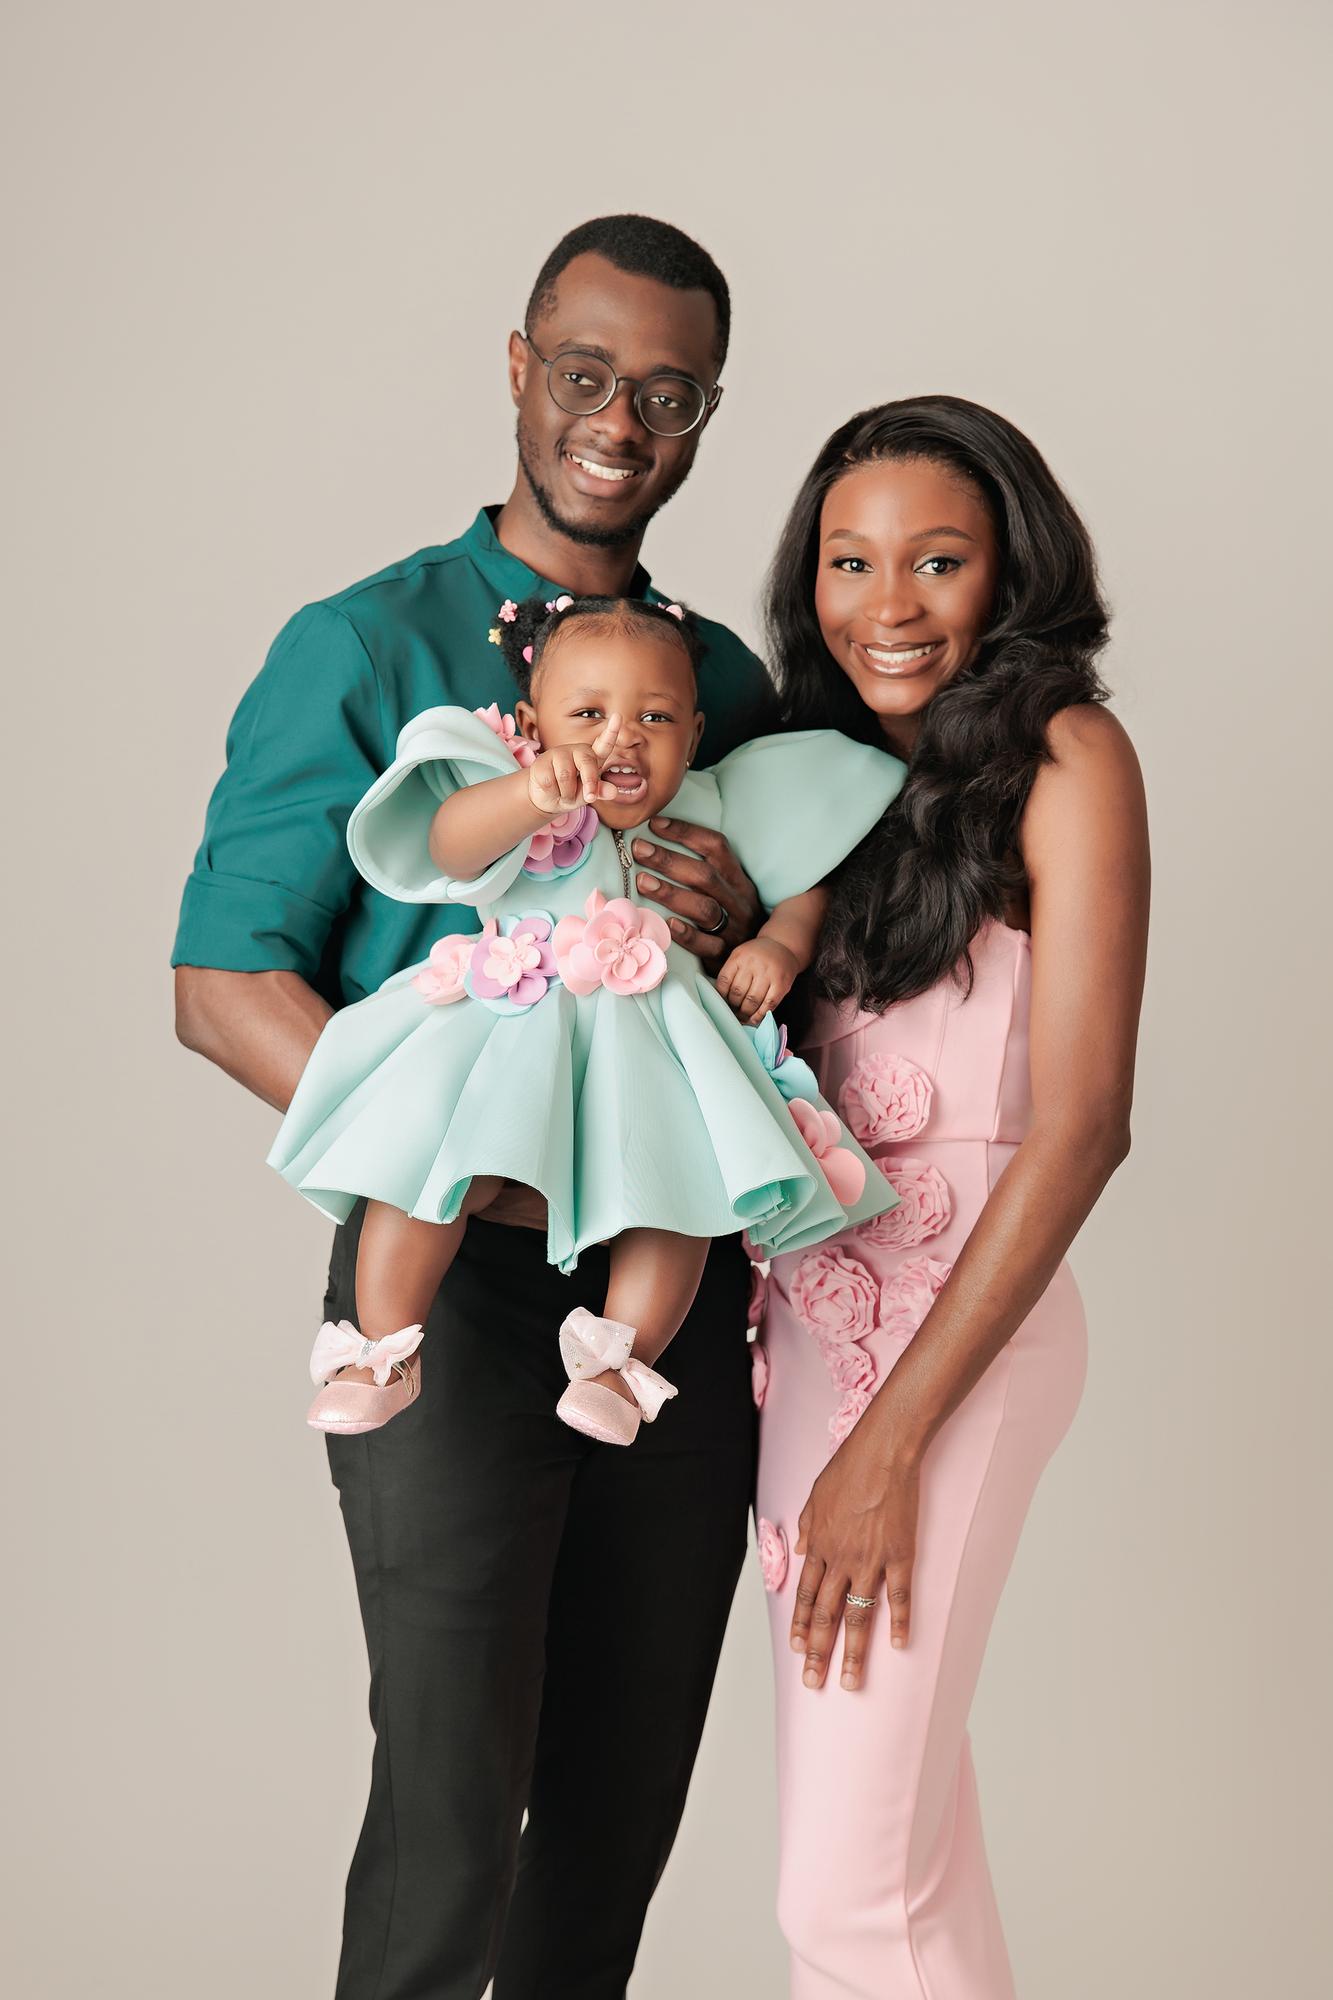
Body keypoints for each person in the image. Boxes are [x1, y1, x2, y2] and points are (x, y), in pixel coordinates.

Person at [174, 215, 775, 1999]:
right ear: (516, 366)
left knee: (618, 1807)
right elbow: (223, 984)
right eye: (584, 373)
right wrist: (458, 1160)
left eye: (665, 393)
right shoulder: (359, 643)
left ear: (703, 417)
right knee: (452, 1791)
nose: (617, 418)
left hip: (669, 1289)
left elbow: (773, 992)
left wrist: (747, 923)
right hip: (445, 1286)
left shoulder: (718, 684)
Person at [750, 395, 1149, 1998]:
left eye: (936, 560)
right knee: (904, 1861)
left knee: (845, 1898)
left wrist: (888, 1444)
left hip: (956, 1364)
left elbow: (1085, 1127)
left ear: (1009, 572)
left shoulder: (1067, 753)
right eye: (850, 561)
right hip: (804, 1355)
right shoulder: (810, 783)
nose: (887, 603)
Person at [270, 590, 904, 1442]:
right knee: (428, 1166)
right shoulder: (515, 798)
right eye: (587, 713)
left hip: (654, 1041)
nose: (620, 735)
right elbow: (449, 843)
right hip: (507, 1022)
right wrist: (529, 794)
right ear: (531, 725)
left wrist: (778, 948)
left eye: (654, 715)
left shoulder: (713, 806)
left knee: (677, 1192)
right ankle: (380, 1348)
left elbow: (801, 886)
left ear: (694, 732)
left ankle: (618, 1365)